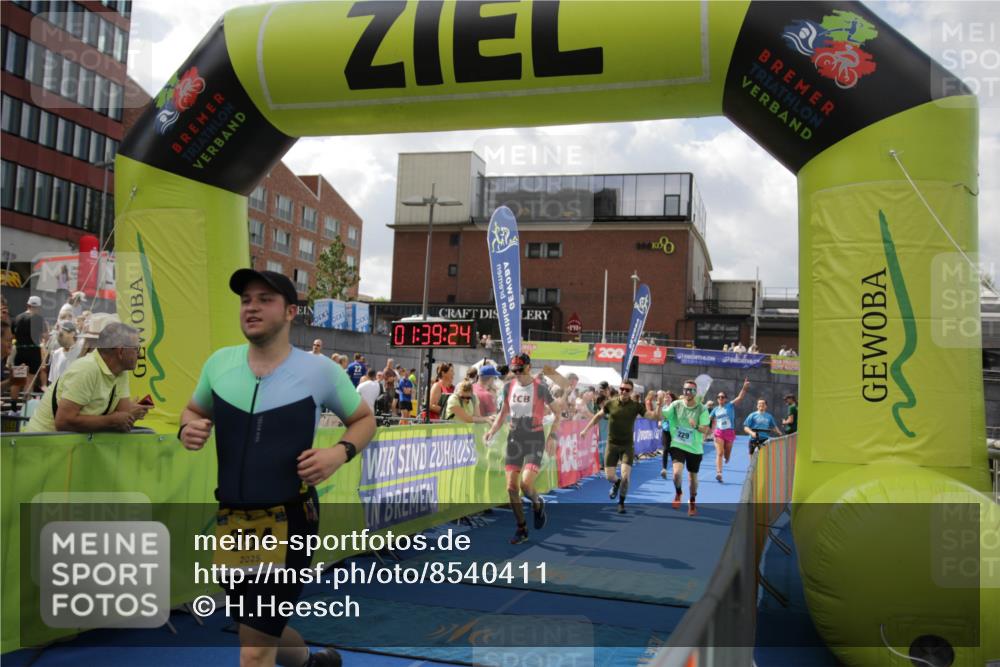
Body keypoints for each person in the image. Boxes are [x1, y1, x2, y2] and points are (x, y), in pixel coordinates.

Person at [178, 269, 374, 667]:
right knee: (253, 624)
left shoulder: (319, 370)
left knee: (253, 651)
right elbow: (194, 410)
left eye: (264, 299)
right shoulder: (219, 364)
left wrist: (338, 454)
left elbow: (364, 420)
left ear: (290, 312)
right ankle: (309, 663)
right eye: (246, 299)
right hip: (232, 520)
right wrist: (188, 428)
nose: (251, 307)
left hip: (290, 517)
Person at [484, 353, 567, 543]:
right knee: (511, 488)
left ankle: (538, 504)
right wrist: (492, 431)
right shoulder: (508, 387)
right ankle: (521, 528)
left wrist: (552, 435)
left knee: (525, 484)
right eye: (514, 370)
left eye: (520, 370)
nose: (517, 373)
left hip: (534, 438)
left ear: (529, 367)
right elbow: (503, 413)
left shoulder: (540, 389)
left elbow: (558, 412)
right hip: (515, 438)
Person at [24, 322, 149, 433]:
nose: (139, 354)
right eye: (136, 348)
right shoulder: (87, 369)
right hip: (41, 447)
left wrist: (130, 415)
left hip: (63, 448)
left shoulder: (121, 372)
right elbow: (63, 422)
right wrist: (112, 420)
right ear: (121, 351)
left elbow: (122, 416)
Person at [582, 379, 662, 514]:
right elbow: (598, 416)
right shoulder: (610, 403)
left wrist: (659, 406)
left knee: (626, 476)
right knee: (609, 476)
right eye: (622, 389)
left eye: (627, 390)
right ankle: (616, 483)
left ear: (631, 392)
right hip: (612, 445)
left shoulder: (636, 406)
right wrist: (585, 430)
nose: (624, 392)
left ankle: (621, 503)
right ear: (619, 389)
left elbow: (655, 417)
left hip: (627, 446)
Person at [662, 379, 712, 516]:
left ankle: (692, 500)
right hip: (678, 444)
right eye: (685, 389)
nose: (687, 392)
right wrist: (659, 404)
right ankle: (678, 493)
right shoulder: (676, 404)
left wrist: (695, 425)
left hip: (695, 448)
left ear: (695, 392)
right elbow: (663, 414)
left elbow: (705, 430)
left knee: (693, 478)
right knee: (677, 473)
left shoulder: (702, 409)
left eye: (690, 390)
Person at [711, 379, 750, 483]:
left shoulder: (730, 405)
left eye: (722, 397)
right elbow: (708, 420)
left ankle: (727, 457)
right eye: (718, 397)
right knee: (719, 453)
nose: (720, 398)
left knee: (727, 455)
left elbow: (740, 397)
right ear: (717, 399)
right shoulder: (715, 409)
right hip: (719, 433)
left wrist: (744, 387)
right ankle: (719, 473)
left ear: (726, 399)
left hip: (729, 433)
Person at [10, 296, 48, 400]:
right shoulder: (40, 319)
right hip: (33, 352)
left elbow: (12, 336)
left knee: (17, 380)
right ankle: (24, 408)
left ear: (28, 305)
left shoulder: (17, 318)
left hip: (20, 351)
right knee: (30, 379)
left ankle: (13, 409)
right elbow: (45, 336)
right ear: (39, 307)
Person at [46, 321, 81, 385]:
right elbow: (52, 380)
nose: (59, 338)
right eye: (58, 335)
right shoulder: (56, 353)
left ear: (72, 334)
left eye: (61, 335)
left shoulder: (81, 353)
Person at [658, 391, 678, 479]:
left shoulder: (675, 408)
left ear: (672, 399)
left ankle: (676, 470)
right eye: (665, 397)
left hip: (674, 432)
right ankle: (664, 469)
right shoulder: (663, 408)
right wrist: (659, 422)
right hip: (665, 430)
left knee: (673, 451)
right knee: (665, 449)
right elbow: (660, 417)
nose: (666, 398)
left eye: (668, 397)